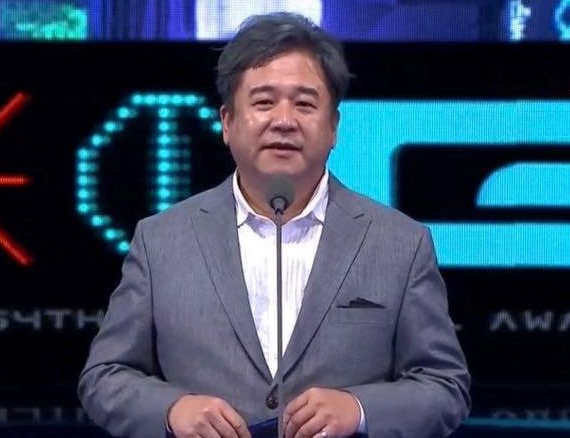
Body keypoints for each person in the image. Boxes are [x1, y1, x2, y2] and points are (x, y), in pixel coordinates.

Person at [78, 12, 471, 438]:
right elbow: (105, 376)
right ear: (227, 123)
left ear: (334, 127)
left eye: (305, 104)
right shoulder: (161, 241)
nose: (284, 120)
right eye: (264, 102)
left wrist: (359, 409)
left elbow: (445, 387)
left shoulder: (400, 243)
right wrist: (172, 411)